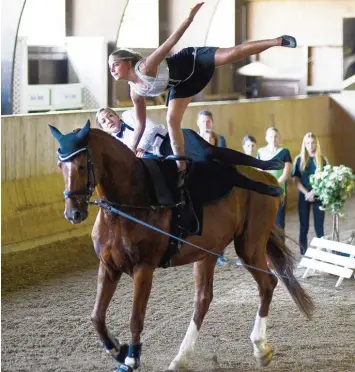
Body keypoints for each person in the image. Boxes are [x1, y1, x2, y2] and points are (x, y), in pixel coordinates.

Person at [108, 1, 297, 177]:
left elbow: (170, 43)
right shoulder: (135, 92)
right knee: (172, 120)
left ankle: (278, 41)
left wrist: (189, 19)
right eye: (110, 67)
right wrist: (131, 148)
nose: (112, 70)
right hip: (183, 85)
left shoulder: (145, 67)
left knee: (233, 53)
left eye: (115, 64)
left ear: (127, 62)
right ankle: (181, 164)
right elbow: (140, 125)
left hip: (194, 60)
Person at [95, 107, 286, 197]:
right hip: (164, 158)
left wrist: (139, 147)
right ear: (103, 128)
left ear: (117, 115)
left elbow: (151, 128)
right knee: (209, 170)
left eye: (110, 115)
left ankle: (262, 164)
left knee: (209, 153)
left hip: (172, 138)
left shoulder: (130, 114)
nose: (108, 120)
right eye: (104, 121)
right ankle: (259, 188)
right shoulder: (115, 142)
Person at [291, 132, 328, 255]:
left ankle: (322, 252)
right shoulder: (299, 159)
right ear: (304, 144)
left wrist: (314, 192)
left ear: (316, 143)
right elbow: (296, 179)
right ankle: (303, 252)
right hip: (304, 195)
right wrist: (307, 193)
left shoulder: (322, 159)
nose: (310, 145)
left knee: (319, 226)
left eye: (312, 143)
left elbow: (325, 179)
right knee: (304, 226)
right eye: (307, 143)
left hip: (319, 195)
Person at [257, 127, 292, 230]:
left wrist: (275, 185)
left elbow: (286, 173)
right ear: (266, 138)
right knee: (266, 222)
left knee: (279, 222)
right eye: (271, 136)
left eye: (276, 136)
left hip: (279, 191)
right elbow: (259, 171)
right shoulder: (260, 151)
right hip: (265, 191)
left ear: (279, 138)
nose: (273, 139)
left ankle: (280, 245)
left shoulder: (285, 152)